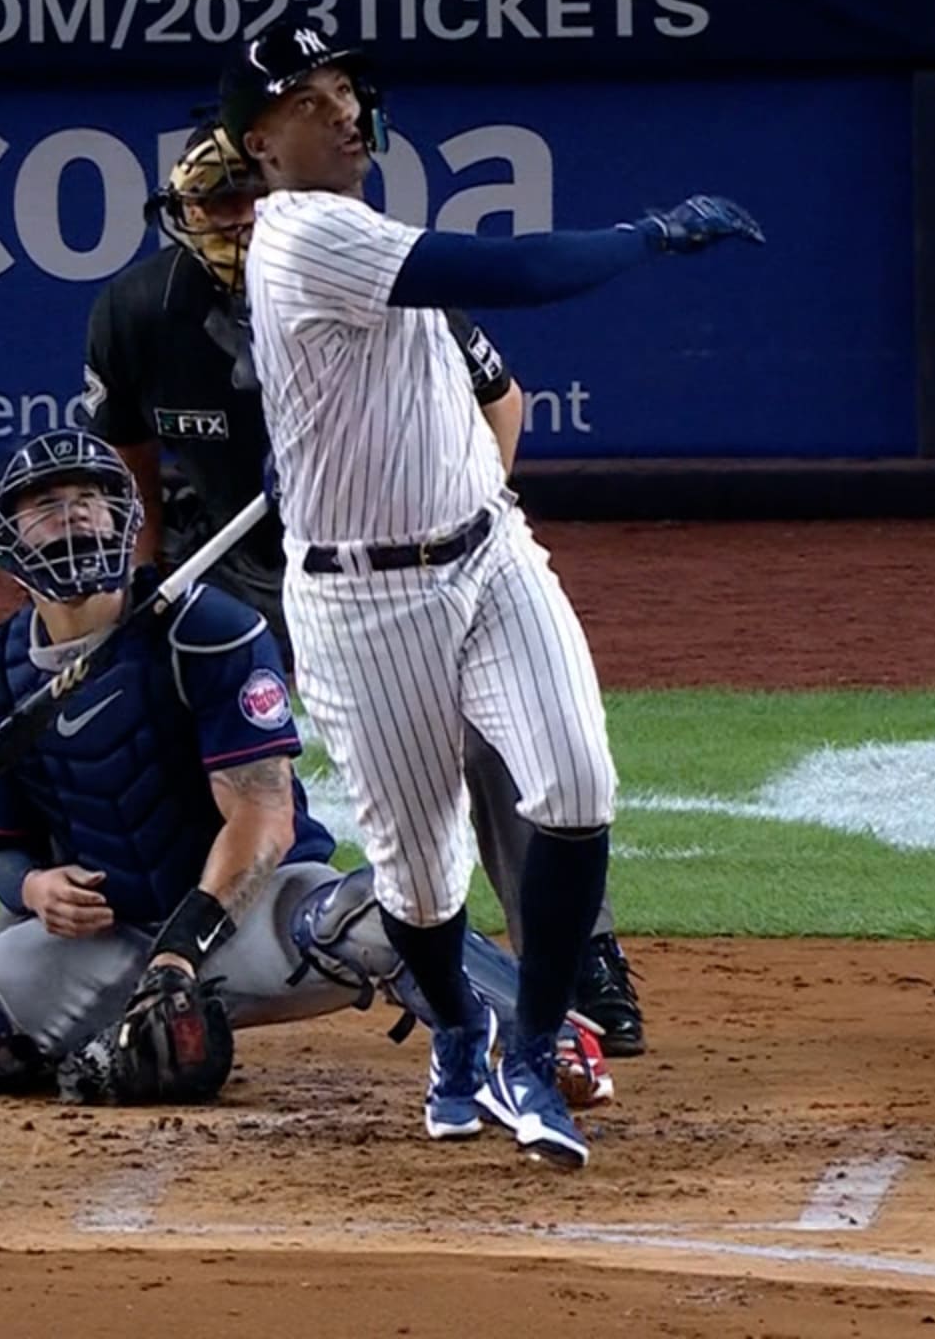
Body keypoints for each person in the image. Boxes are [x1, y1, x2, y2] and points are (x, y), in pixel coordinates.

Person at [217, 16, 762, 1168]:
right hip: (362, 610)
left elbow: (463, 371)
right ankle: (456, 1031)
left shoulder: (358, 233)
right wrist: (650, 234)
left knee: (574, 786)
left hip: (488, 553)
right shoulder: (304, 237)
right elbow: (512, 273)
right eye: (310, 100)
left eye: (347, 90)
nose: (344, 111)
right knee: (420, 876)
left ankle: (527, 1042)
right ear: (259, 141)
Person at [86, 120, 651, 1059]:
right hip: (237, 569)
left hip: (387, 559)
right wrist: (144, 582)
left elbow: (499, 399)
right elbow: (130, 458)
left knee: (491, 737)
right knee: (155, 716)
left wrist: (472, 527)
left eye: (244, 199)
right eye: (210, 205)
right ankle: (157, 938)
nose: (230, 220)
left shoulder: (368, 275)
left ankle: (581, 956)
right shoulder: (141, 309)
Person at [0, 429, 613, 1128]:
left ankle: (541, 1037)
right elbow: (4, 848)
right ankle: (124, 1045)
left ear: (126, 515)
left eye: (93, 498)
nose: (77, 514)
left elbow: (263, 820)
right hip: (107, 940)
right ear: (7, 542)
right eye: (47, 505)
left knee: (376, 914)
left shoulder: (206, 632)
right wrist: (31, 889)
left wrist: (181, 951)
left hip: (250, 922)